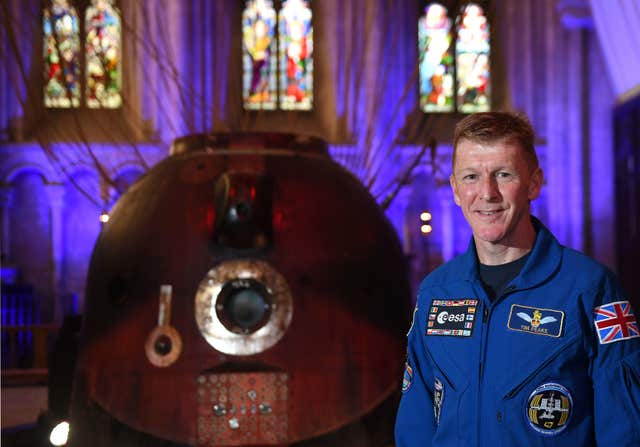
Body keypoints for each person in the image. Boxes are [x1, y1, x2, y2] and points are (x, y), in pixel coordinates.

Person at [395, 111, 640, 446]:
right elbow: (415, 425)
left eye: (503, 174)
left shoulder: (591, 290)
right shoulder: (436, 293)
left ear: (534, 183)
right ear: (454, 188)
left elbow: (625, 431)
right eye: (470, 177)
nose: (487, 193)